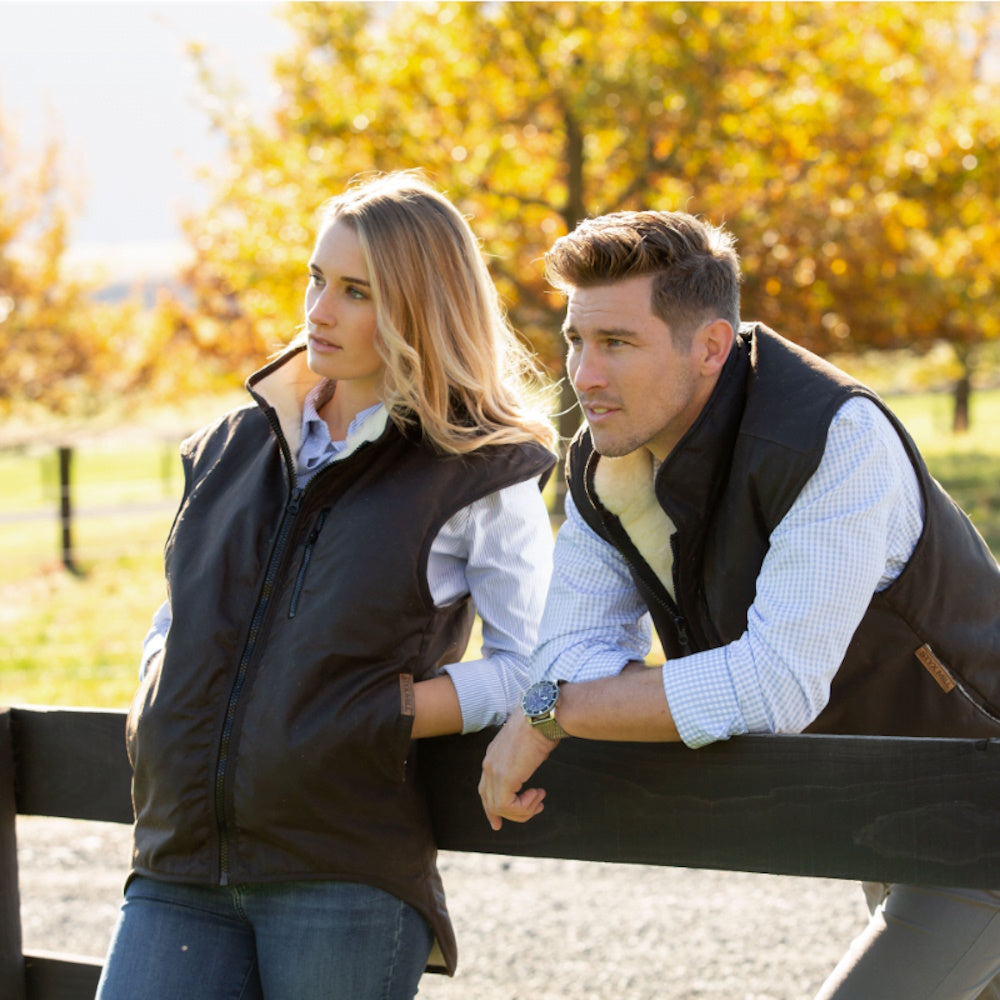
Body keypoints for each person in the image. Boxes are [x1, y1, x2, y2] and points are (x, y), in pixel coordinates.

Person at [478, 209, 1000, 999]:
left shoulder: (833, 437)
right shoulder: (605, 460)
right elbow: (565, 652)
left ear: (711, 346)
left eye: (617, 343)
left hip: (981, 800)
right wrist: (568, 695)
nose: (581, 374)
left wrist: (554, 712)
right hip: (899, 808)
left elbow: (770, 688)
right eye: (576, 340)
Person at [96, 171, 558, 1000]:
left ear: (421, 307)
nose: (318, 310)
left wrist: (390, 712)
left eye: (356, 292)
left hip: (340, 872)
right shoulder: (233, 445)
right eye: (316, 279)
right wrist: (155, 697)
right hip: (176, 859)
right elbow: (176, 616)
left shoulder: (477, 471)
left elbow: (534, 664)